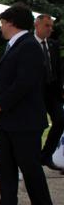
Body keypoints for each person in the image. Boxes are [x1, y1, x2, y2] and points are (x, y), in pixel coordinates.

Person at [0, 3, 54, 205]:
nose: (1, 27)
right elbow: (6, 78)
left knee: (29, 163)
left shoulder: (29, 46)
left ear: (10, 23)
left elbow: (25, 83)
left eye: (2, 23)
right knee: (5, 164)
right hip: (7, 118)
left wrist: (1, 103)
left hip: (24, 119)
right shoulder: (16, 45)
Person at [34, 14, 64, 173]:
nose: (50, 29)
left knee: (60, 121)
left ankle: (46, 155)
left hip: (53, 92)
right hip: (36, 92)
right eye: (47, 26)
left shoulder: (53, 45)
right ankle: (33, 158)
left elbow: (58, 70)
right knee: (37, 126)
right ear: (36, 25)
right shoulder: (29, 44)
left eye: (51, 26)